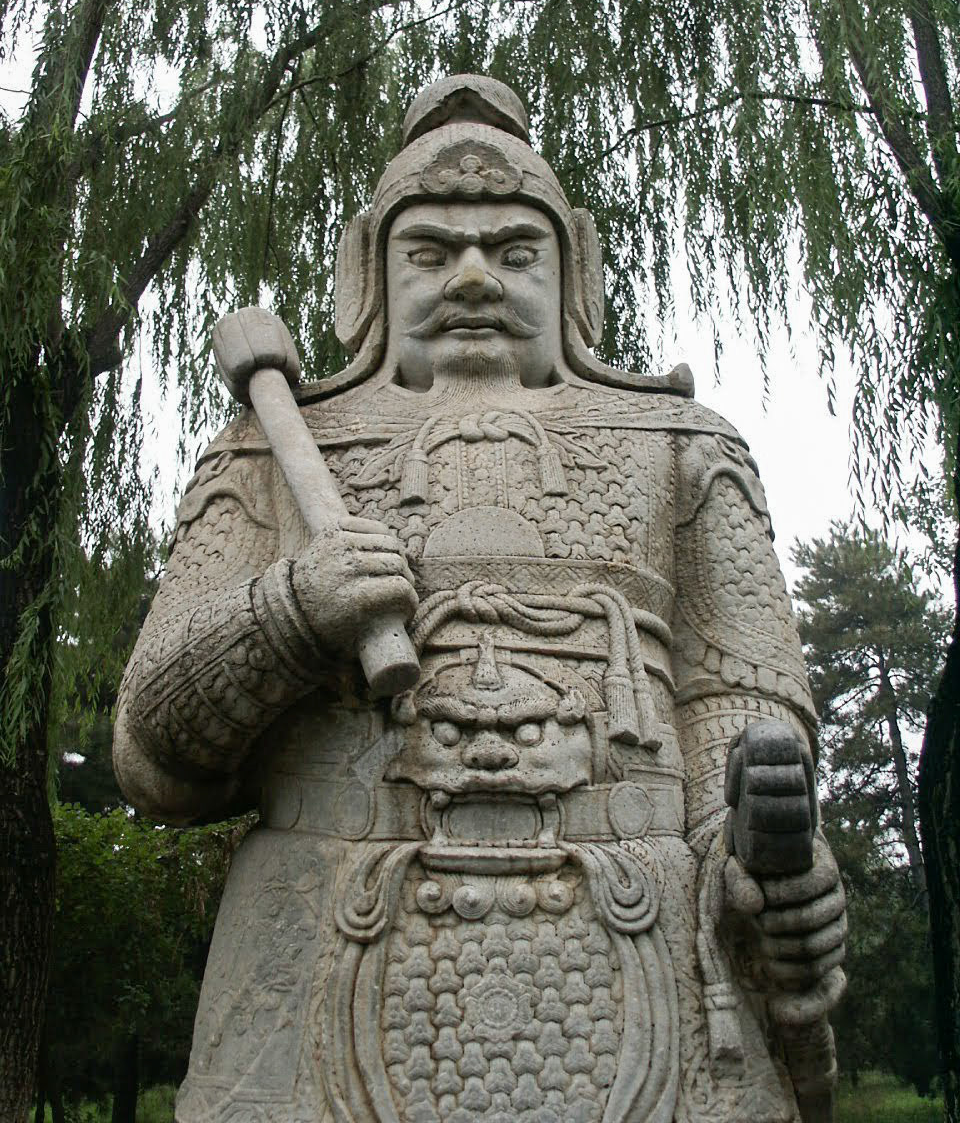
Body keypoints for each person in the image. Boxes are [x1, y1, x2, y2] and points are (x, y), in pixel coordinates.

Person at [115, 75, 846, 1123]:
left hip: (646, 926)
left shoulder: (684, 445)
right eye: (429, 252)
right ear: (365, 273)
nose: (471, 277)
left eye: (513, 251)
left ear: (575, 269)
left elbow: (735, 696)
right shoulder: (269, 451)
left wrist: (756, 840)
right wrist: (288, 613)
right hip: (318, 933)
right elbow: (152, 759)